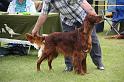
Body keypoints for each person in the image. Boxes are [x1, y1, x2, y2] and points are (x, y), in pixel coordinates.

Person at [32, 0, 105, 71]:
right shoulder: (48, 1)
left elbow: (84, 3)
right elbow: (43, 14)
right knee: (66, 44)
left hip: (83, 18)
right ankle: (69, 66)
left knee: (93, 41)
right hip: (67, 21)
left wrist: (95, 16)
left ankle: (99, 63)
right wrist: (35, 29)